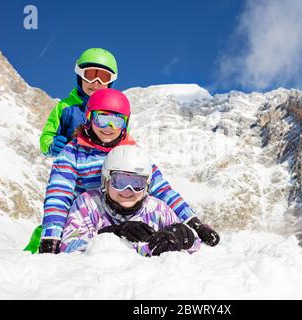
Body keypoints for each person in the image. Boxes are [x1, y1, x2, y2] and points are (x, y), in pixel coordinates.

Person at [37, 88, 219, 254]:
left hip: (132, 214)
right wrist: (51, 238)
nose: (109, 128)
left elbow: (163, 190)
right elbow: (59, 195)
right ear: (89, 117)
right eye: (102, 119)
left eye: (116, 121)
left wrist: (194, 225)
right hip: (88, 218)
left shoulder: (132, 154)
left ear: (125, 123)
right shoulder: (73, 153)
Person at [60, 145, 201, 256]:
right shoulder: (88, 204)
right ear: (106, 180)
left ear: (147, 185)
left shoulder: (157, 210)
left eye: (137, 183)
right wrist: (112, 234)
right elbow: (69, 248)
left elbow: (195, 246)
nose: (128, 190)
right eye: (120, 181)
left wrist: (183, 235)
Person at [39, 48, 118, 157]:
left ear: (110, 82)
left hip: (102, 168)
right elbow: (47, 135)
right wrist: (50, 145)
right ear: (80, 76)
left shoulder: (115, 110)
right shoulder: (65, 108)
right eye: (90, 75)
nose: (96, 82)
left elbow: (123, 137)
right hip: (71, 167)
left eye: (103, 78)